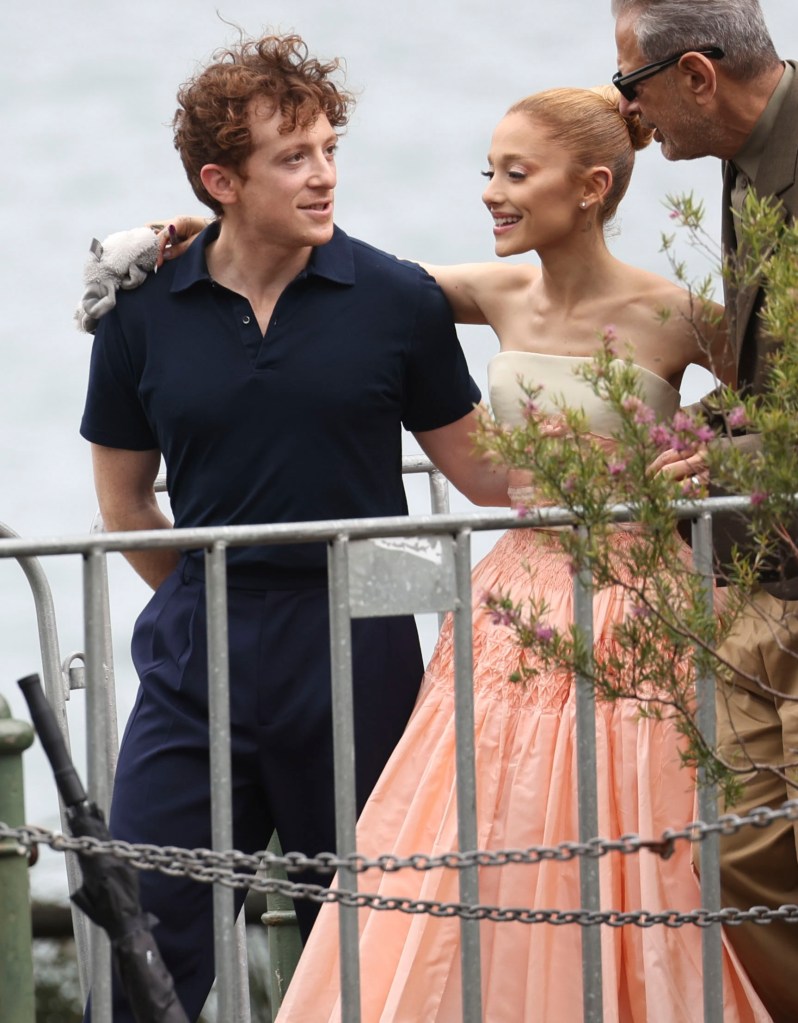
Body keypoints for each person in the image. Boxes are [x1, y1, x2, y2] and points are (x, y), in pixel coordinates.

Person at [271, 86, 771, 1021]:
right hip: (515, 598)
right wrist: (207, 222)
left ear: (589, 187)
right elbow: (354, 274)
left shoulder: (678, 313)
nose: (493, 193)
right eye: (488, 172)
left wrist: (709, 448)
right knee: (483, 814)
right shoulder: (494, 290)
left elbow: (774, 405)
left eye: (515, 173)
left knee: (623, 820)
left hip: (639, 603)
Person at [78, 33, 510, 1022]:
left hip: (361, 648)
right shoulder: (141, 313)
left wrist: (630, 457)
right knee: (146, 925)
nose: (324, 177)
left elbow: (485, 471)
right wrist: (209, 599)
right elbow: (125, 506)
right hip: (197, 655)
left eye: (329, 148)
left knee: (368, 941)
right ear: (220, 181)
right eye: (294, 157)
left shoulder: (395, 299)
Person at [612, 3, 798, 1018]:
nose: (623, 112)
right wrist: (714, 425)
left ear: (694, 76)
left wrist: (733, 455)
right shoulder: (743, 149)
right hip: (762, 570)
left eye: (625, 85)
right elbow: (773, 367)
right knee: (738, 860)